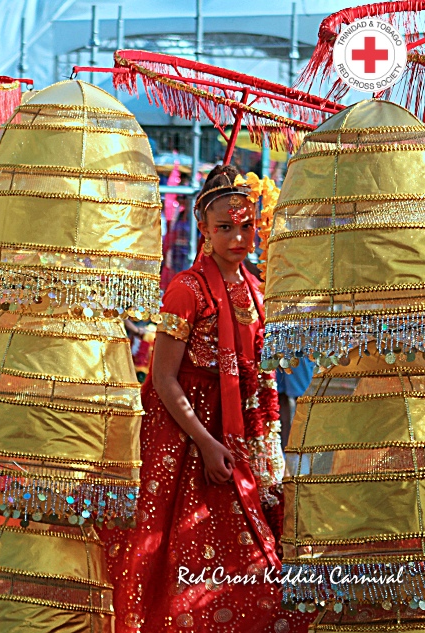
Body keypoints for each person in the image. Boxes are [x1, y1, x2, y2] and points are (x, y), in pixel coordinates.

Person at [107, 165, 311, 633]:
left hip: (244, 438)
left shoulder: (258, 291)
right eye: (225, 228)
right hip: (185, 442)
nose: (238, 238)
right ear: (204, 229)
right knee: (182, 555)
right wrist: (205, 443)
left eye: (246, 228)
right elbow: (162, 379)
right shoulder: (186, 289)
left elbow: (267, 373)